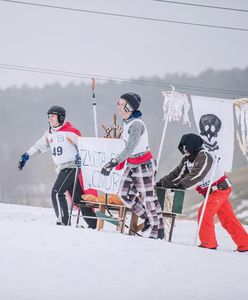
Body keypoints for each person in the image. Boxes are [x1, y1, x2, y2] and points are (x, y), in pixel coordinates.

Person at [157, 133, 248, 251]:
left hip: (220, 189)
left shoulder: (204, 156)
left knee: (204, 212)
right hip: (212, 192)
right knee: (227, 219)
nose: (184, 150)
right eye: (182, 147)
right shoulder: (187, 160)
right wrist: (163, 182)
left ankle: (208, 244)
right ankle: (245, 243)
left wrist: (181, 185)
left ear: (193, 145)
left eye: (186, 146)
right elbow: (177, 173)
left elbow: (198, 174)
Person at [18, 105, 97, 228]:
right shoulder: (49, 133)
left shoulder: (70, 132)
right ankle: (94, 224)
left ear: (60, 117)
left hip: (72, 167)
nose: (50, 119)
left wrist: (81, 156)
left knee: (56, 192)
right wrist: (26, 155)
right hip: (61, 168)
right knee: (78, 199)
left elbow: (84, 147)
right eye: (49, 117)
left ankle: (63, 221)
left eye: (53, 116)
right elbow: (39, 147)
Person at [101, 93, 165, 239]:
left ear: (129, 107)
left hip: (143, 165)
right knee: (124, 194)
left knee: (149, 199)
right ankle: (148, 218)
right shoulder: (127, 122)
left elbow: (130, 148)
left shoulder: (136, 124)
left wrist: (113, 162)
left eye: (121, 104)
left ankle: (157, 232)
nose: (118, 106)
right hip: (132, 164)